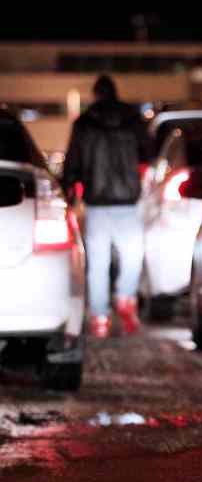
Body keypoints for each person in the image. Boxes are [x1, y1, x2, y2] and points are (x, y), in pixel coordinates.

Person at [62, 75, 152, 338]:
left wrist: (69, 192)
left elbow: (72, 163)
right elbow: (148, 152)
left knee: (98, 263)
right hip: (127, 201)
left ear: (96, 94)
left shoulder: (84, 123)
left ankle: (100, 316)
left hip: (97, 203)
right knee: (133, 255)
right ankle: (125, 296)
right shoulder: (132, 119)